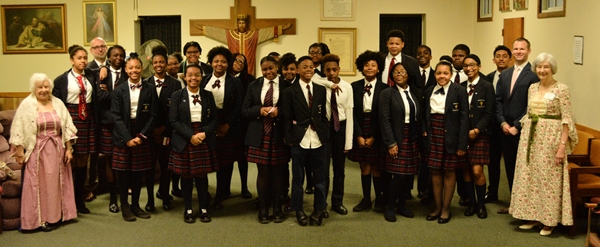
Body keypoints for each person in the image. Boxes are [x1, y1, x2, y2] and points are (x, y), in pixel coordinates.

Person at [509, 53, 577, 236]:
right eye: (539, 67)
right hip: (531, 138)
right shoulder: (532, 87)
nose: (542, 70)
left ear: (552, 69)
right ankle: (533, 216)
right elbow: (529, 112)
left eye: (546, 67)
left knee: (549, 181)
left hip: (551, 139)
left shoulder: (562, 89)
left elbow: (567, 119)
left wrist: (562, 146)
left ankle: (549, 220)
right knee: (530, 177)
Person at [10, 73, 77, 231]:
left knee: (57, 185)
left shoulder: (57, 103)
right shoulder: (27, 105)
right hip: (37, 152)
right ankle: (40, 220)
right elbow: (18, 129)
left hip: (57, 150)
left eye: (46, 86)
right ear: (34, 89)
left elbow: (66, 126)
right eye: (40, 87)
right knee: (39, 186)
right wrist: (20, 153)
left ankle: (58, 215)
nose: (44, 90)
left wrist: (68, 149)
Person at [52, 45, 106, 214]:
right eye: (79, 58)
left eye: (84, 58)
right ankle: (66, 201)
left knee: (83, 161)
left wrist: (104, 67)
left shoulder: (91, 75)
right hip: (71, 118)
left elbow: (108, 67)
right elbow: (57, 104)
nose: (83, 61)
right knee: (71, 161)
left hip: (88, 119)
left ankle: (79, 200)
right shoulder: (62, 80)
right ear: (71, 60)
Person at [242, 56, 291, 223]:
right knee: (263, 172)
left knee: (278, 172)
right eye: (264, 69)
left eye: (271, 68)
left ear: (277, 67)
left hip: (278, 135)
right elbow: (245, 110)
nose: (268, 72)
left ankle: (277, 208)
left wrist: (280, 112)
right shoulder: (253, 85)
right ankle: (263, 208)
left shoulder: (287, 86)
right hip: (259, 134)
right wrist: (259, 110)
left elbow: (293, 110)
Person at [282, 56, 330, 226]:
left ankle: (319, 209)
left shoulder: (320, 89)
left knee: (320, 178)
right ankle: (298, 210)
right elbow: (286, 118)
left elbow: (322, 115)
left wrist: (325, 133)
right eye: (304, 67)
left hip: (318, 140)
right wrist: (290, 139)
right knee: (298, 178)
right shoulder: (289, 92)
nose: (309, 69)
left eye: (311, 67)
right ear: (297, 70)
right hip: (299, 140)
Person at [169, 63, 219, 223]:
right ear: (184, 76)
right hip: (185, 137)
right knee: (186, 175)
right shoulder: (177, 95)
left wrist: (204, 133)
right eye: (190, 75)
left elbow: (215, 119)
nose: (193, 78)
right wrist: (191, 136)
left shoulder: (208, 95)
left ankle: (203, 208)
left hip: (203, 135)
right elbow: (174, 120)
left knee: (201, 175)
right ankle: (188, 208)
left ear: (201, 77)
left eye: (197, 75)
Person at [111, 52, 158, 221]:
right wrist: (127, 139)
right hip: (123, 134)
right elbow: (115, 116)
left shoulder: (150, 89)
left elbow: (153, 115)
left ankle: (136, 205)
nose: (134, 70)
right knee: (124, 174)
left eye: (137, 67)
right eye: (131, 67)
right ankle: (124, 206)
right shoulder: (118, 91)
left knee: (138, 173)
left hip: (141, 134)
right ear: (126, 69)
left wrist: (142, 136)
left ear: (142, 68)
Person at [495, 37, 540, 214]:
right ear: (512, 51)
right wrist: (503, 123)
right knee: (510, 168)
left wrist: (516, 126)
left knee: (524, 169)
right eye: (516, 48)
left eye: (522, 49)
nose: (519, 51)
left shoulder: (534, 75)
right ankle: (514, 203)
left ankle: (526, 205)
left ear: (529, 51)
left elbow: (533, 104)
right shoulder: (504, 74)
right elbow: (498, 101)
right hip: (505, 131)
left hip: (523, 131)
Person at [423, 61, 468, 224]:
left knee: (449, 171)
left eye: (445, 73)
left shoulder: (459, 91)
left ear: (451, 75)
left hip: (452, 137)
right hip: (434, 134)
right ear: (435, 74)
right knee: (435, 171)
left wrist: (462, 144)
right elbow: (424, 116)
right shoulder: (429, 91)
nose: (442, 76)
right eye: (439, 73)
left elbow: (464, 119)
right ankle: (437, 207)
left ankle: (446, 209)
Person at [201, 46, 245, 209]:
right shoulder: (204, 80)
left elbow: (239, 106)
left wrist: (227, 125)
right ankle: (204, 193)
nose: (219, 64)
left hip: (228, 124)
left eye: (223, 61)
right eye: (216, 61)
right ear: (211, 63)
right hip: (207, 124)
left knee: (225, 162)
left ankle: (222, 193)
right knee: (206, 159)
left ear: (228, 63)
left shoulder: (235, 82)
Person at [379, 62, 422, 222]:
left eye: (402, 72)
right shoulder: (387, 93)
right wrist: (391, 143)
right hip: (397, 137)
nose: (399, 74)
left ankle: (402, 205)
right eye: (395, 72)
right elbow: (384, 120)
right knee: (398, 176)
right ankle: (390, 207)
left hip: (412, 137)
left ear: (408, 74)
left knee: (409, 175)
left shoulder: (415, 93)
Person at [348, 50, 389, 212]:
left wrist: (373, 136)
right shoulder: (354, 87)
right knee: (364, 166)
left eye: (373, 65)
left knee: (377, 167)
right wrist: (358, 135)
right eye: (366, 65)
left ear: (379, 69)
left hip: (377, 129)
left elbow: (384, 116)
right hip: (360, 127)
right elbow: (352, 112)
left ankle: (379, 199)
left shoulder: (385, 89)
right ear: (361, 68)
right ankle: (366, 199)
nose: (370, 68)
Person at [144, 45, 182, 212]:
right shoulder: (145, 83)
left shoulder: (175, 84)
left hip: (167, 132)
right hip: (149, 133)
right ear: (152, 64)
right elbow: (144, 111)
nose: (158, 65)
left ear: (166, 64)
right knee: (150, 168)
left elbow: (176, 110)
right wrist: (152, 130)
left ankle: (165, 197)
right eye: (156, 62)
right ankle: (150, 200)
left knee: (166, 167)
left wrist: (163, 129)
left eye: (162, 62)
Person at [459, 54, 495, 219]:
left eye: (472, 65)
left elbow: (489, 113)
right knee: (466, 171)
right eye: (466, 66)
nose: (469, 69)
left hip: (480, 135)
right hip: (463, 135)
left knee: (477, 170)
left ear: (479, 66)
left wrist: (476, 130)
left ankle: (481, 205)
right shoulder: (459, 86)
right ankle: (472, 203)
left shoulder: (486, 86)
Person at [201, 14, 292, 75]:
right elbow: (218, 33)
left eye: (243, 23)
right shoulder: (231, 35)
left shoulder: (252, 36)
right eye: (239, 23)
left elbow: (265, 33)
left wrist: (279, 28)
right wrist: (205, 29)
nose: (241, 25)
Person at [97, 44, 128, 213]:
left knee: (123, 161)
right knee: (110, 161)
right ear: (108, 57)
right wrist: (116, 94)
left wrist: (111, 93)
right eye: (115, 55)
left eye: (121, 55)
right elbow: (101, 97)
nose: (119, 58)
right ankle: (112, 198)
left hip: (124, 125)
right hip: (107, 124)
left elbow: (128, 98)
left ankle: (124, 195)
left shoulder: (128, 73)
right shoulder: (102, 73)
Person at [321, 54, 354, 216]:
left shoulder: (347, 87)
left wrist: (348, 142)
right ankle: (322, 204)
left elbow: (350, 115)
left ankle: (337, 202)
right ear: (323, 71)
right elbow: (313, 79)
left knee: (339, 170)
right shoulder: (321, 84)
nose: (331, 73)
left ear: (339, 69)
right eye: (327, 70)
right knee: (324, 169)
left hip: (341, 128)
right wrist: (328, 84)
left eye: (334, 69)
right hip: (326, 129)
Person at [484, 45, 511, 203]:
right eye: (498, 56)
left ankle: (514, 198)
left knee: (509, 163)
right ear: (494, 60)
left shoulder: (513, 77)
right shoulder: (487, 78)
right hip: (492, 128)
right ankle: (492, 192)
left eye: (504, 56)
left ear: (510, 59)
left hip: (508, 126)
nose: (501, 59)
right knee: (493, 162)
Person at [231, 52, 256, 199]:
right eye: (237, 60)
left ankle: (244, 187)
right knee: (226, 160)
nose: (239, 63)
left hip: (243, 124)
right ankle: (224, 189)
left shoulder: (249, 79)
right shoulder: (224, 78)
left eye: (243, 62)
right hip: (228, 123)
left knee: (242, 158)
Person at [415, 45, 437, 203]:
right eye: (419, 54)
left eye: (425, 54)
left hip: (431, 121)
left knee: (430, 157)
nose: (422, 56)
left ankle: (431, 190)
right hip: (416, 121)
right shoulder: (412, 74)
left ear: (431, 56)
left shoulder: (438, 74)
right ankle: (419, 189)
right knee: (418, 158)